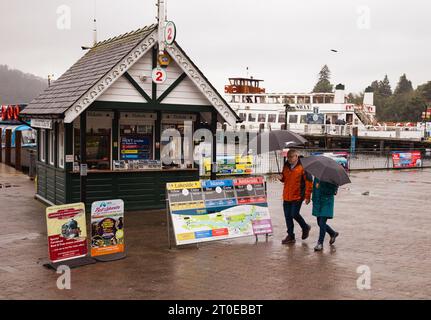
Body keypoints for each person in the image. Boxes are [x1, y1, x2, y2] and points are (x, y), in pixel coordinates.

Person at [279, 149, 313, 245]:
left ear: (296, 156)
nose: (289, 159)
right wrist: (281, 178)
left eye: (291, 157)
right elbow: (285, 179)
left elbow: (309, 182)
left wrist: (307, 196)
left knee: (294, 214)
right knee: (287, 216)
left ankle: (305, 227)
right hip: (286, 195)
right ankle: (290, 236)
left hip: (298, 196)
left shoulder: (303, 166)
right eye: (288, 157)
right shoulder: (286, 165)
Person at [311, 178, 339, 251]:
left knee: (322, 222)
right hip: (318, 202)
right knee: (319, 223)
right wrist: (313, 199)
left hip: (327, 202)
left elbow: (333, 191)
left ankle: (320, 243)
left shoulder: (332, 178)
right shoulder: (317, 177)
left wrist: (322, 187)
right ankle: (333, 233)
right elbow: (314, 189)